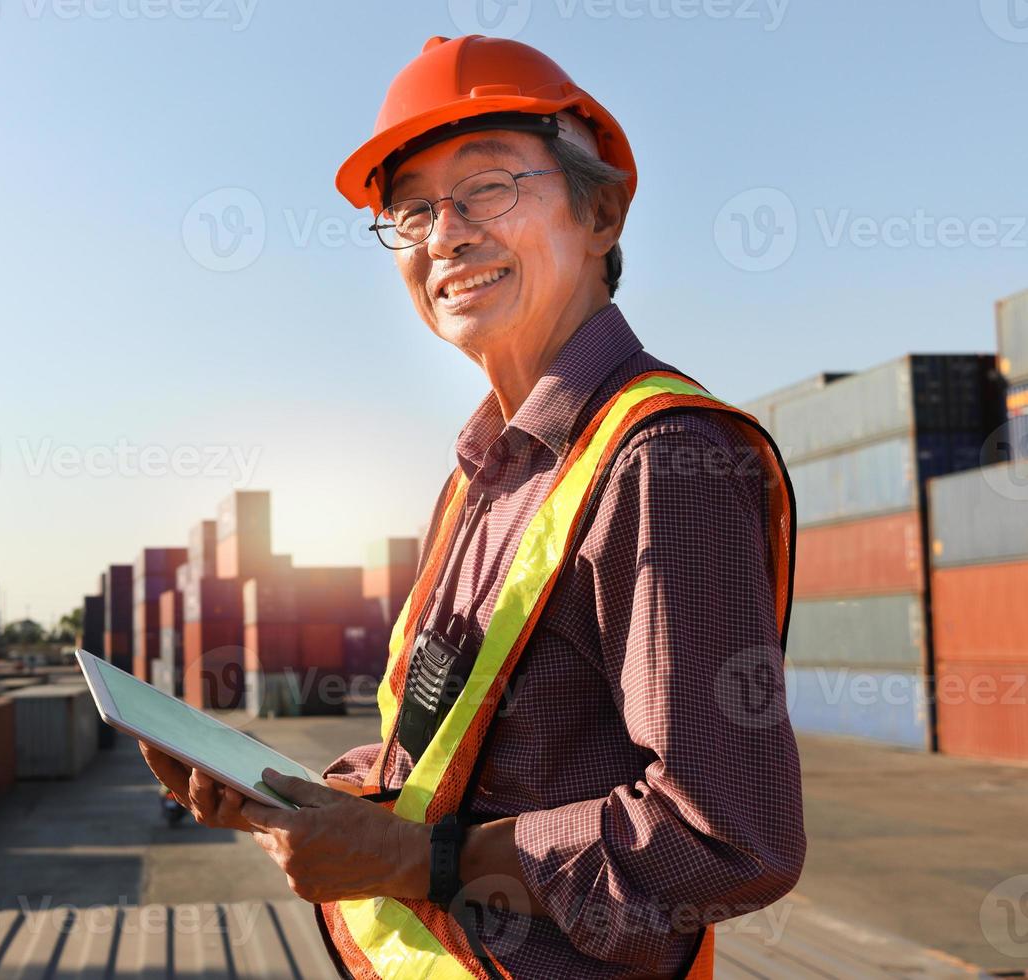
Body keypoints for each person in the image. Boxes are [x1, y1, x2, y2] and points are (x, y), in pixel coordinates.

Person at [141, 34, 805, 979]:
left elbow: (731, 837)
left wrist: (420, 861)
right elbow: (461, 757)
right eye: (410, 211)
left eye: (487, 187)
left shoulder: (663, 462)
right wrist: (281, 793)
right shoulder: (484, 472)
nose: (444, 233)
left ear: (601, 211)